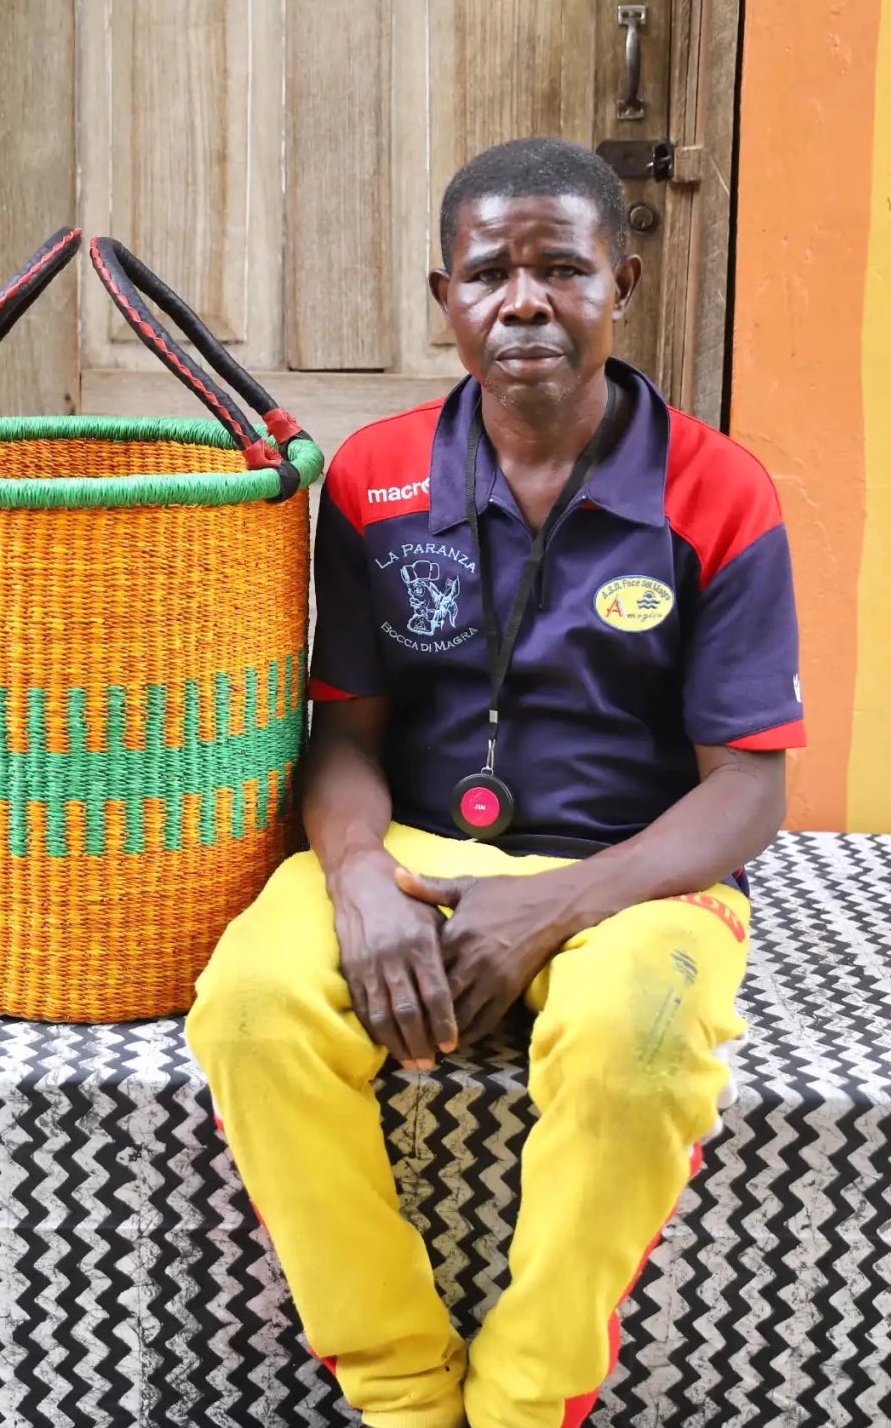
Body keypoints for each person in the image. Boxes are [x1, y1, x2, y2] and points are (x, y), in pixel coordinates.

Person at [186, 137, 805, 1428]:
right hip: (411, 845)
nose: (523, 299)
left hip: (639, 872)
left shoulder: (719, 489)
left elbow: (746, 786)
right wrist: (357, 876)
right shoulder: (373, 475)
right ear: (443, 295)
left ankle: (527, 1398)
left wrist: (556, 905)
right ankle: (405, 1388)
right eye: (489, 272)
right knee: (247, 1012)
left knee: (632, 1057)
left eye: (560, 267)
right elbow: (345, 730)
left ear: (619, 282)